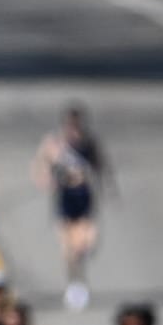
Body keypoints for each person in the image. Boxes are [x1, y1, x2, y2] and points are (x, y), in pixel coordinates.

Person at [32, 105, 112, 311]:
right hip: (65, 198)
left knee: (87, 243)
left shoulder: (89, 143)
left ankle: (79, 272)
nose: (74, 130)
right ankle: (76, 284)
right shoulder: (55, 144)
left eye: (77, 125)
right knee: (68, 248)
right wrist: (47, 178)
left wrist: (107, 186)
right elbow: (42, 164)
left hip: (84, 197)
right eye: (70, 125)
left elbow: (101, 165)